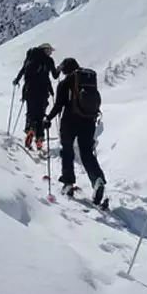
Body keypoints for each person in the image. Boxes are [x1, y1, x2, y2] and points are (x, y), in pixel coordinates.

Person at [43, 57, 106, 204]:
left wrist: (48, 119)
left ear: (65, 70)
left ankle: (68, 183)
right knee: (86, 152)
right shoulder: (88, 81)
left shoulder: (65, 83)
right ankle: (97, 180)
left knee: (67, 150)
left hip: (69, 121)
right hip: (89, 121)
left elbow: (59, 105)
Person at [13, 43, 59, 150]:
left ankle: (30, 130)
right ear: (45, 50)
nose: (51, 52)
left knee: (31, 112)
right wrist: (59, 69)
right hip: (43, 92)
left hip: (29, 91)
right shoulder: (49, 60)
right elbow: (55, 76)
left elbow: (23, 70)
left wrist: (17, 80)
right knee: (40, 115)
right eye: (49, 50)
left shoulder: (31, 57)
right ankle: (39, 138)